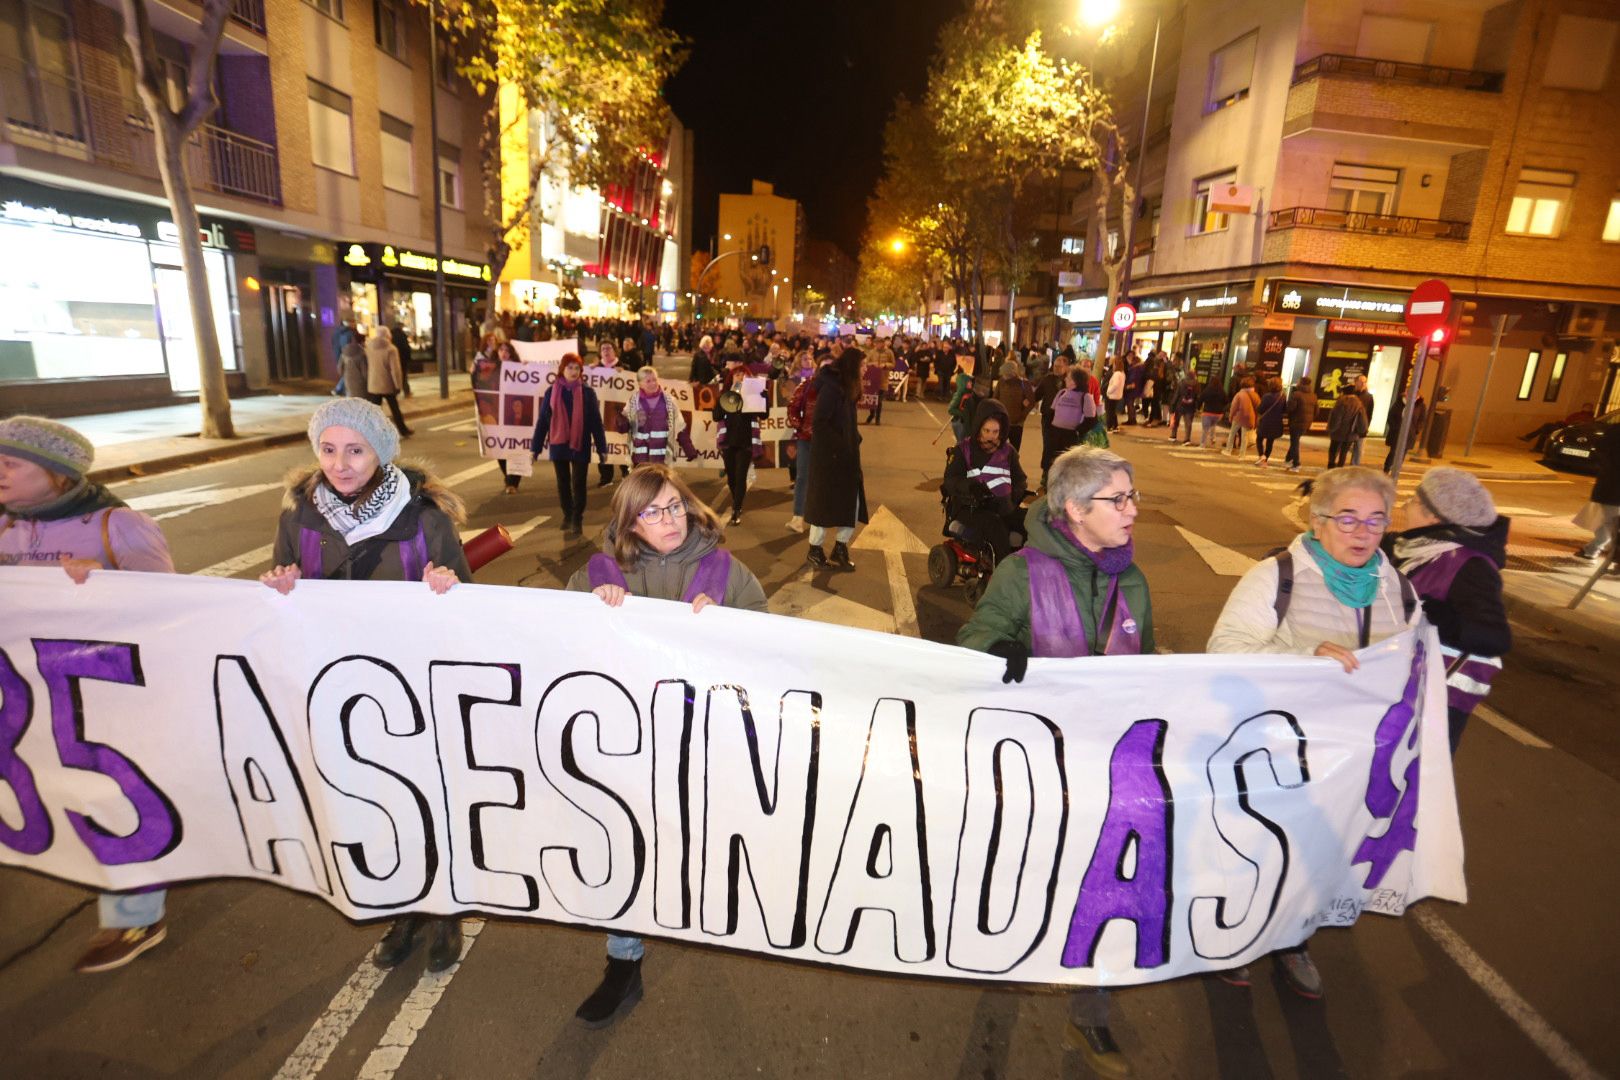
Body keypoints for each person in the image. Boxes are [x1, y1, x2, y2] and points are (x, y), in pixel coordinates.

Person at [957, 446, 1153, 1080]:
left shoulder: (1135, 580)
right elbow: (973, 643)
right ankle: (1005, 956)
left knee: (1108, 890)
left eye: (1133, 497)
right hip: (1039, 770)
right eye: (1116, 500)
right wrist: (1002, 648)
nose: (1131, 511)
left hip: (1111, 771)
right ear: (1074, 508)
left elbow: (1152, 666)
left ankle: (1090, 1012)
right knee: (1030, 876)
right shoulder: (1022, 572)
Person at [260, 399, 470, 973]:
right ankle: (404, 910)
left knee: (427, 800)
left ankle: (444, 909)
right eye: (328, 450)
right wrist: (280, 586)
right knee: (374, 804)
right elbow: (284, 594)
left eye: (355, 450)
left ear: (380, 452)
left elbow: (470, 605)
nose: (340, 463)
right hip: (339, 689)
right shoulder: (298, 517)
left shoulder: (424, 518)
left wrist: (447, 584)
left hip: (412, 689)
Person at [565, 465, 766, 1027]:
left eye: (675, 505)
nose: (668, 519)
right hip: (624, 749)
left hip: (701, 744)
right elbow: (556, 646)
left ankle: (705, 918)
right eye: (652, 511)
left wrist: (730, 627)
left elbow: (770, 641)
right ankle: (622, 961)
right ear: (630, 521)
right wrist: (590, 610)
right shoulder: (598, 574)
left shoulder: (725, 569)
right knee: (624, 850)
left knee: (694, 847)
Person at [1207, 466, 1418, 1000]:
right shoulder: (1278, 576)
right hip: (1273, 754)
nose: (1362, 532)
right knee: (1259, 849)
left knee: (1317, 854)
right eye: (1347, 518)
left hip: (1348, 764)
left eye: (1375, 520)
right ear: (1319, 521)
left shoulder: (1397, 589)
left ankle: (1293, 941)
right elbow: (1224, 651)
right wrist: (1305, 658)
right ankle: (1233, 938)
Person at [0, 416, 177, 974]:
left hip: (106, 698)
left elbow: (176, 612)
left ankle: (136, 915)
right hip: (31, 696)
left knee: (115, 795)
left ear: (54, 475)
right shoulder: (7, 529)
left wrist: (110, 584)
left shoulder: (118, 526)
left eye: (11, 462)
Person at [1386, 468, 1511, 751]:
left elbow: (1495, 638)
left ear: (1434, 516)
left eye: (1413, 500)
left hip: (1438, 698)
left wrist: (1435, 615)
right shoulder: (1415, 547)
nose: (1405, 506)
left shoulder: (1470, 566)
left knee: (1417, 781)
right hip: (1405, 686)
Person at [943, 399, 1029, 564]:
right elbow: (951, 480)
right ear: (978, 428)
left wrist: (1015, 495)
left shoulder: (1008, 451)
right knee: (997, 528)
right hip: (971, 508)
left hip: (1003, 506)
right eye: (987, 431)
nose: (991, 436)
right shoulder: (963, 450)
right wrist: (970, 487)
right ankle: (1002, 577)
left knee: (1032, 522)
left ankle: (1029, 571)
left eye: (996, 432)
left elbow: (1020, 479)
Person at [533, 352, 609, 538]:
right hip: (559, 444)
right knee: (563, 482)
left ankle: (577, 518)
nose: (573, 372)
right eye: (570, 368)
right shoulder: (552, 392)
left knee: (578, 483)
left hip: (580, 444)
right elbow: (543, 421)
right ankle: (567, 514)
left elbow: (595, 423)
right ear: (562, 369)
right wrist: (535, 447)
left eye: (577, 368)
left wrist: (602, 448)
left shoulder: (587, 393)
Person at [804, 348, 867, 571]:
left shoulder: (847, 388)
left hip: (846, 457)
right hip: (829, 459)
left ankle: (840, 548)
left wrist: (853, 439)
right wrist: (841, 445)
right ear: (852, 367)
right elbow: (819, 423)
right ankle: (815, 549)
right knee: (824, 506)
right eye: (862, 365)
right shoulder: (832, 389)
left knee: (851, 503)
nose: (865, 369)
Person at [714, 357, 765, 525]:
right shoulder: (726, 394)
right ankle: (737, 500)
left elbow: (764, 415)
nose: (740, 377)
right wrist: (728, 396)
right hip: (728, 440)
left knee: (741, 475)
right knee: (731, 477)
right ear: (732, 377)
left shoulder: (753, 395)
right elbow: (716, 416)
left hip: (746, 440)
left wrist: (763, 397)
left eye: (743, 374)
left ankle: (736, 509)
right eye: (737, 374)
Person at [786, 349, 829, 532]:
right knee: (803, 477)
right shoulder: (806, 386)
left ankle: (820, 517)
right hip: (806, 439)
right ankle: (798, 517)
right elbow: (793, 407)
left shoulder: (840, 390)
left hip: (828, 442)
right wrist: (800, 426)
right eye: (825, 368)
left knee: (824, 479)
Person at [622, 365, 690, 468]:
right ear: (640, 384)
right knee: (643, 484)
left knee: (659, 483)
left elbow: (680, 425)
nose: (653, 383)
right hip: (640, 458)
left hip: (662, 459)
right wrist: (621, 423)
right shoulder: (633, 401)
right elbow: (625, 426)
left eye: (654, 379)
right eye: (648, 381)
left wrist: (688, 448)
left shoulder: (669, 401)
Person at [1576, 422, 1620, 562]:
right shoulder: (1615, 431)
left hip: (1610, 484)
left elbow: (1600, 451)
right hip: (1612, 486)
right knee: (1611, 521)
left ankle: (1594, 549)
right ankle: (1595, 549)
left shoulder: (1614, 430)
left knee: (1610, 520)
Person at [364, 324, 414, 438]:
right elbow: (395, 370)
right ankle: (403, 430)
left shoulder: (369, 347)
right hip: (387, 383)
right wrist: (398, 385)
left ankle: (370, 432)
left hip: (374, 383)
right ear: (388, 335)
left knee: (374, 410)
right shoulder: (391, 349)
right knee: (395, 409)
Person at [993, 358, 1036, 454]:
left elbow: (1031, 402)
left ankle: (1012, 467)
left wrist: (1022, 416)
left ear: (1012, 373)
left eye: (1005, 373)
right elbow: (995, 398)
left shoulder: (1023, 384)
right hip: (1002, 421)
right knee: (998, 448)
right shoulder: (1001, 382)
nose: (1003, 376)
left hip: (1017, 424)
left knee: (1015, 450)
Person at [1520, 404, 1596, 453]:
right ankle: (1534, 444)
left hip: (1568, 430)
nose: (1586, 408)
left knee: (1546, 427)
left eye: (1587, 407)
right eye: (1586, 407)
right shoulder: (1577, 414)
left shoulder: (1590, 417)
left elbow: (1577, 424)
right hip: (1564, 426)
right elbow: (1568, 420)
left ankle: (1530, 438)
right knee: (1545, 430)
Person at [1384, 393, 1428, 473]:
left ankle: (1396, 470)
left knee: (1402, 454)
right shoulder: (1399, 403)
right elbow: (1391, 416)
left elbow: (1422, 420)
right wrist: (1394, 427)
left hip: (1409, 434)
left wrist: (1416, 430)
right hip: (1397, 432)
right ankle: (1387, 469)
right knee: (1393, 452)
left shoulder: (1420, 406)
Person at [1326, 389, 1368, 469]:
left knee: (1333, 449)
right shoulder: (1359, 405)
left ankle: (1331, 465)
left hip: (1338, 432)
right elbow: (1362, 420)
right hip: (1351, 434)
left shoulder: (1341, 403)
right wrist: (1362, 431)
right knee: (1344, 451)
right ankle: (1340, 466)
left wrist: (1331, 429)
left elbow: (1336, 418)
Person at [1283, 377, 1317, 473]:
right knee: (1295, 440)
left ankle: (1296, 463)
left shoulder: (1296, 395)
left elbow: (1290, 408)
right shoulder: (1313, 395)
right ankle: (1288, 459)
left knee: (1295, 442)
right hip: (1306, 423)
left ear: (1300, 383)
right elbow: (1317, 411)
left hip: (1296, 422)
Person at [1254, 377, 1287, 467]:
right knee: (1270, 441)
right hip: (1276, 422)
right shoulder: (1283, 396)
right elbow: (1284, 410)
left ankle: (1262, 456)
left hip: (1266, 422)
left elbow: (1260, 409)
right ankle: (1265, 459)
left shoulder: (1267, 396)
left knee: (1259, 439)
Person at [1225, 376, 1259, 457]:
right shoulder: (1256, 395)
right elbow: (1258, 409)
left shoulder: (1239, 394)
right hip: (1249, 418)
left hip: (1238, 418)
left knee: (1232, 434)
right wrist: (1255, 420)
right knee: (1245, 437)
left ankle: (1228, 450)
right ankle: (1242, 454)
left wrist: (1231, 416)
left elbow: (1233, 407)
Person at [1169, 370, 1200, 444]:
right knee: (1188, 423)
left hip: (1180, 405)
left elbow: (1177, 395)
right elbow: (1197, 397)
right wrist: (1197, 407)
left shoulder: (1182, 383)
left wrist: (1173, 405)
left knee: (1176, 421)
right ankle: (1187, 439)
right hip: (1190, 407)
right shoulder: (1197, 384)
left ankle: (1173, 435)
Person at [1198, 376, 1228, 450]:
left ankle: (1202, 444)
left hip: (1207, 413)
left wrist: (1198, 408)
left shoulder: (1207, 390)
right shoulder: (1222, 391)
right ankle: (1213, 438)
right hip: (1218, 414)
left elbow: (1200, 399)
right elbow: (1226, 401)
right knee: (1213, 425)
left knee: (1205, 429)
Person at [338, 333, 369, 400]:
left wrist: (344, 375)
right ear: (362, 341)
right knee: (361, 400)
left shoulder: (344, 352)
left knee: (351, 399)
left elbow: (340, 368)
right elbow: (364, 371)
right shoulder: (361, 353)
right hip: (360, 381)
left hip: (348, 379)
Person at [1353, 375, 1375, 465]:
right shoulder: (1351, 394)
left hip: (1361, 427)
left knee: (1359, 450)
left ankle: (1354, 467)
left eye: (1365, 382)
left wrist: (1366, 426)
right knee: (1343, 448)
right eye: (1361, 381)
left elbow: (1370, 414)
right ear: (1356, 382)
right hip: (1350, 426)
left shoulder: (1369, 397)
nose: (1363, 384)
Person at [1104, 361, 1126, 431]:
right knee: (1113, 412)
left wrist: (1108, 391)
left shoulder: (1116, 374)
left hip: (1112, 395)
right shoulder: (1122, 374)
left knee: (1109, 412)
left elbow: (1115, 385)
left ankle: (1109, 427)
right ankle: (1115, 426)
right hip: (1117, 395)